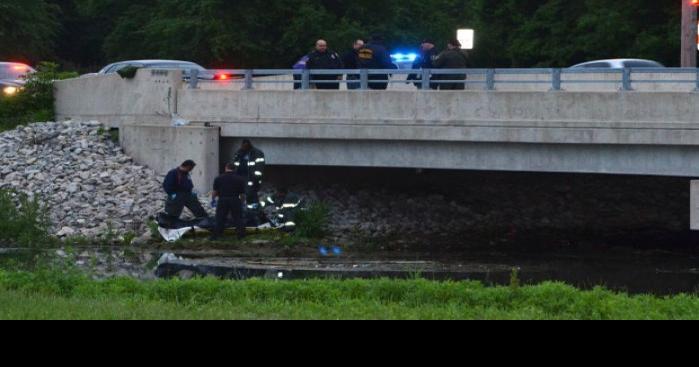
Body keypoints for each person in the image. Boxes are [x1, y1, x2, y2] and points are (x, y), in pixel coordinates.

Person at [210, 163, 247, 241]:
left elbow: (215, 192)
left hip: (223, 199)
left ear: (226, 168)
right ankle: (241, 236)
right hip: (235, 200)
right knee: (238, 218)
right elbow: (242, 194)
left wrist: (213, 199)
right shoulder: (240, 179)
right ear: (235, 169)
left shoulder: (218, 178)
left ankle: (216, 236)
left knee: (220, 218)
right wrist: (242, 202)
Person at [231, 139, 265, 209]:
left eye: (246, 145)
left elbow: (259, 168)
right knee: (239, 194)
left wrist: (256, 179)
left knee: (251, 194)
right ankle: (240, 209)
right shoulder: (239, 152)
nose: (244, 147)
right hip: (240, 176)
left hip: (251, 178)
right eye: (243, 145)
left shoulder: (256, 153)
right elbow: (235, 164)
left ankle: (253, 210)